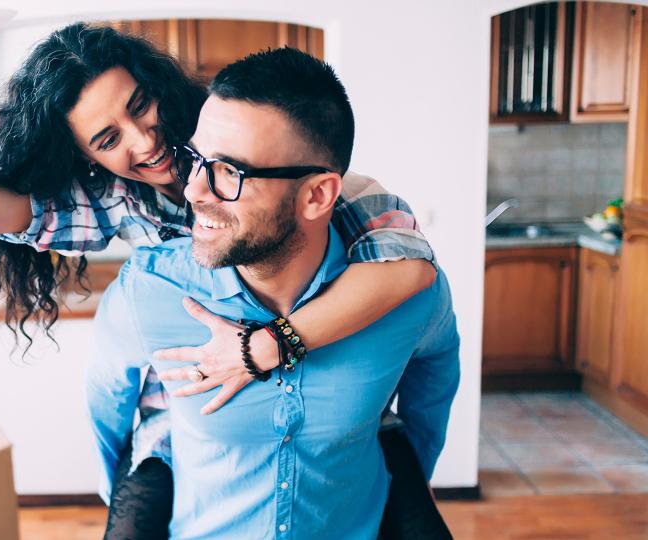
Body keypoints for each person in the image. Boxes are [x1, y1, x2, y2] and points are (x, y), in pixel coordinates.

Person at [0, 23, 442, 537]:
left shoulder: (310, 179)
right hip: (179, 413)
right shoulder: (120, 205)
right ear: (87, 157)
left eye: (141, 107)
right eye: (107, 139)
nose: (144, 143)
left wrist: (265, 346)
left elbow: (411, 270)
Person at [88, 47, 460, 539]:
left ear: (317, 195)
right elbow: (107, 407)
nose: (195, 191)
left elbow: (437, 366)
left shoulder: (405, 295)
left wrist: (417, 474)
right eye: (196, 159)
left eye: (229, 172)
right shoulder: (148, 294)